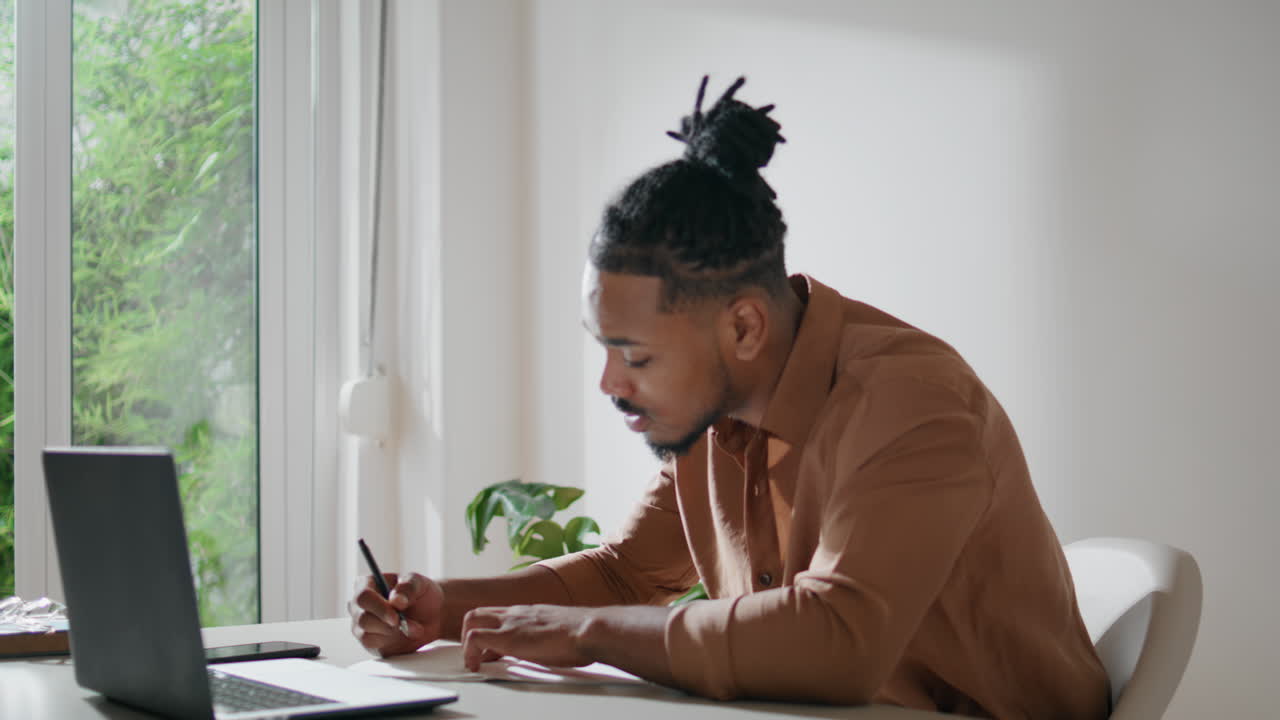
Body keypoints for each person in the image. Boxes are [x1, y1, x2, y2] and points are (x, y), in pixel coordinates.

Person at [349, 76, 1110, 719]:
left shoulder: (915, 404)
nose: (610, 384)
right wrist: (443, 608)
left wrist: (586, 634)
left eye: (634, 354)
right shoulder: (721, 412)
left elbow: (837, 641)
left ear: (743, 325)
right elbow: (625, 576)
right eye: (603, 347)